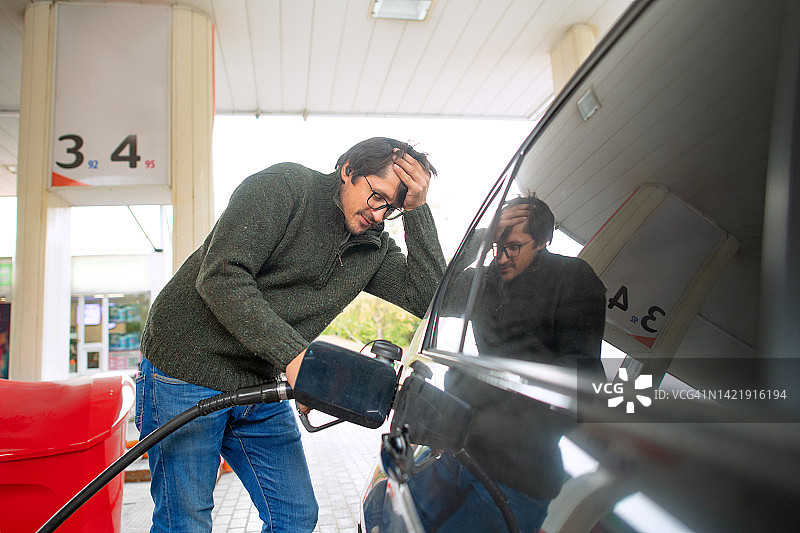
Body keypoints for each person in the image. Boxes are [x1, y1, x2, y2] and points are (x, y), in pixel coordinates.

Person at [135, 137, 446, 533]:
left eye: (394, 209)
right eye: (376, 197)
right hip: (185, 371)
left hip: (258, 383)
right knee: (187, 523)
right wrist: (293, 355)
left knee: (295, 518)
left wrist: (419, 213)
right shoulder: (282, 189)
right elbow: (220, 276)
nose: (380, 215)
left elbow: (428, 297)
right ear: (348, 169)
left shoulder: (373, 247)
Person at [412, 195, 606, 532]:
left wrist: (486, 409)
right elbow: (430, 295)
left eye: (513, 247)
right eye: (496, 246)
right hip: (457, 449)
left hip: (515, 479)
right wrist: (482, 237)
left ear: (543, 240)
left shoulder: (572, 277)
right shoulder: (485, 279)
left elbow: (579, 381)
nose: (501, 258)